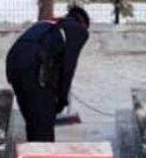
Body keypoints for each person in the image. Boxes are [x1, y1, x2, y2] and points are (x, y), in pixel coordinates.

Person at [5, 7, 90, 142]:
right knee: (43, 121)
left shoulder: (48, 24)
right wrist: (62, 99)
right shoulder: (78, 30)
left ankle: (33, 156)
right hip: (33, 64)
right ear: (84, 23)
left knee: (33, 118)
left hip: (13, 62)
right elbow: (68, 67)